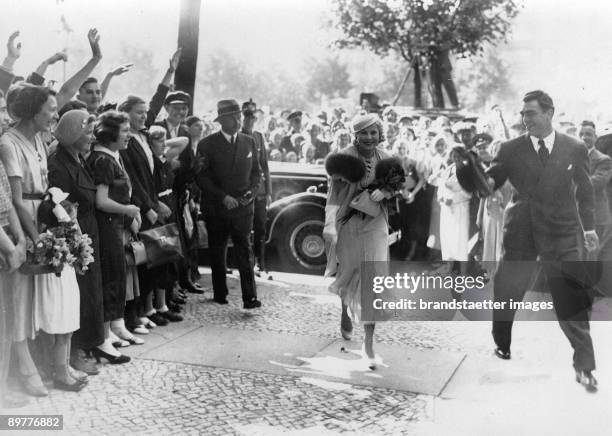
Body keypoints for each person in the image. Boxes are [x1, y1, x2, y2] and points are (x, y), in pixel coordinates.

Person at [487, 90, 599, 391]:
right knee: (507, 288)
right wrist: (486, 183)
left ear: (549, 113)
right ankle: (502, 342)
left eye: (531, 113)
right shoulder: (510, 148)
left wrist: (589, 229)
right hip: (521, 228)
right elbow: (494, 174)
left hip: (561, 231)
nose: (526, 120)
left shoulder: (574, 147)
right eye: (523, 114)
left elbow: (585, 191)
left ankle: (585, 366)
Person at [0, 86, 84, 393]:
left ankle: (53, 364)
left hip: (44, 217)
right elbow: (16, 199)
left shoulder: (38, 137)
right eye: (50, 110)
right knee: (20, 296)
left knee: (45, 295)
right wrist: (35, 238)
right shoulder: (8, 142)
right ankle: (24, 367)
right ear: (34, 111)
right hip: (21, 224)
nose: (55, 115)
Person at [323, 113, 392, 370]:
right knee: (349, 274)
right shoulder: (344, 158)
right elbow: (333, 194)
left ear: (379, 134)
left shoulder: (386, 158)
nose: (369, 138)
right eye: (364, 133)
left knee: (373, 280)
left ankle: (369, 342)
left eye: (374, 132)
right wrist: (329, 224)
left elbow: (398, 186)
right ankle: (345, 309)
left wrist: (385, 190)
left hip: (376, 224)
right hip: (348, 223)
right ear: (356, 135)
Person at [48, 110, 104, 376]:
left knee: (90, 291)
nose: (92, 137)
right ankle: (76, 351)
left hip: (87, 229)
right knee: (79, 293)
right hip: (74, 233)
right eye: (87, 132)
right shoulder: (58, 164)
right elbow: (62, 206)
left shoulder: (76, 158)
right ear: (72, 134)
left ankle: (86, 346)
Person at [196, 99, 262, 309]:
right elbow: (202, 177)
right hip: (217, 208)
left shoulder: (249, 141)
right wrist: (222, 197)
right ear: (222, 120)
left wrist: (249, 195)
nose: (237, 120)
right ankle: (220, 292)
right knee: (218, 250)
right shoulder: (206, 144)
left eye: (238, 116)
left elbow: (256, 173)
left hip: (243, 209)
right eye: (232, 117)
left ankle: (250, 297)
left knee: (245, 250)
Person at [86, 110, 136, 365]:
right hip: (106, 229)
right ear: (111, 134)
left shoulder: (109, 157)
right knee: (109, 280)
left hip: (113, 227)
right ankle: (102, 339)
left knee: (114, 278)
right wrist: (128, 210)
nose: (128, 135)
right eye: (125, 131)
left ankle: (106, 335)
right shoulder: (103, 161)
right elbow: (101, 201)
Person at [0, 158, 28, 407]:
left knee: (5, 321)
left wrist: (19, 241)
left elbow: (7, 205)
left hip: (6, 245)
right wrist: (11, 248)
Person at [241, 99, 271, 276]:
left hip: (258, 191)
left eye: (253, 116)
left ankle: (261, 263)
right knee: (243, 227)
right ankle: (245, 263)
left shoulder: (259, 136)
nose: (250, 119)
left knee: (260, 227)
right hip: (243, 189)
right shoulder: (238, 135)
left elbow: (264, 165)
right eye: (247, 116)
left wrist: (268, 191)